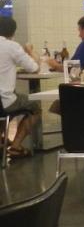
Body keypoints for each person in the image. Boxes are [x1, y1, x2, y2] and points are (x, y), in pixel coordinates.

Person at [0, 17, 41, 159]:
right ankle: (16, 146)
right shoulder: (12, 46)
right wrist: (29, 51)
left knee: (6, 108)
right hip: (5, 101)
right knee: (35, 106)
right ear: (13, 32)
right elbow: (34, 68)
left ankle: (1, 141)